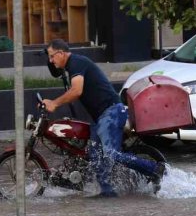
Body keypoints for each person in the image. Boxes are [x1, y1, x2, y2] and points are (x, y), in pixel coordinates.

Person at [42, 39, 164, 197]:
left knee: (110, 154)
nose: (51, 61)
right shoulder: (71, 66)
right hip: (102, 117)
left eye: (52, 56)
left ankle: (154, 169)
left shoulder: (76, 63)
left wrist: (54, 103)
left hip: (111, 112)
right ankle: (107, 192)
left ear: (61, 53)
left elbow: (76, 90)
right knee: (95, 154)